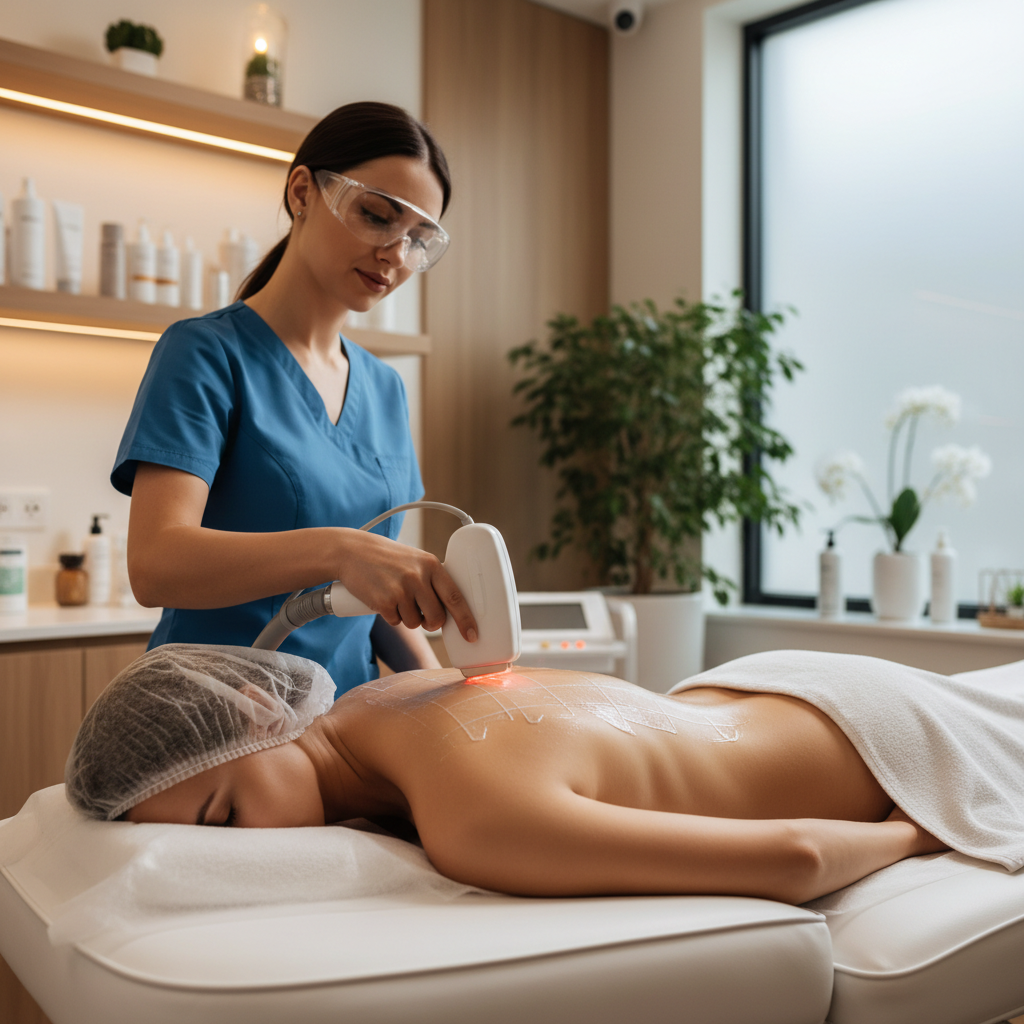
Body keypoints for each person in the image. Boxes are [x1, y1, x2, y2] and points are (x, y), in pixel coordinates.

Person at [67, 644, 1010, 906]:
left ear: (256, 711)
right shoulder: (381, 695)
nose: (240, 849)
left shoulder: (473, 823)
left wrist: (924, 829)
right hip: (768, 682)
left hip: (882, 737)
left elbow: (798, 858)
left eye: (225, 817)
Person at [111, 102, 477, 697]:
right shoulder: (205, 354)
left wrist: (452, 695)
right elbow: (155, 564)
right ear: (303, 191)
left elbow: (377, 602)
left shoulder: (384, 389)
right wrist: (339, 550)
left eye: (416, 240)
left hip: (347, 722)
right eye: (377, 216)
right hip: (219, 712)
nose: (394, 254)